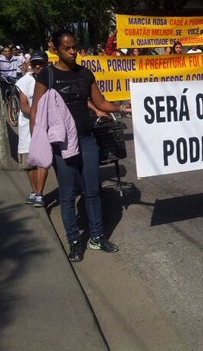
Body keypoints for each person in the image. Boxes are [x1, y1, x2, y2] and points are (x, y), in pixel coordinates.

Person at [30, 29, 130, 262]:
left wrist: (124, 108)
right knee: (67, 195)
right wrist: (39, 139)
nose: (73, 52)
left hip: (86, 139)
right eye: (67, 48)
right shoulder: (47, 75)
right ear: (54, 49)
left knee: (92, 191)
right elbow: (36, 109)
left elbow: (100, 102)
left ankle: (97, 237)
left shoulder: (85, 74)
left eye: (74, 47)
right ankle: (74, 241)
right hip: (61, 144)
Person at [17, 51, 49, 207]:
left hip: (44, 126)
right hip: (27, 126)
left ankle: (40, 193)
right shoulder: (24, 81)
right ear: (31, 65)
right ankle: (35, 191)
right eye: (35, 63)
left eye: (41, 63)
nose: (38, 66)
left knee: (42, 159)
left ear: (46, 64)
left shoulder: (51, 80)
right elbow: (24, 106)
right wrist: (39, 115)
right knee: (29, 161)